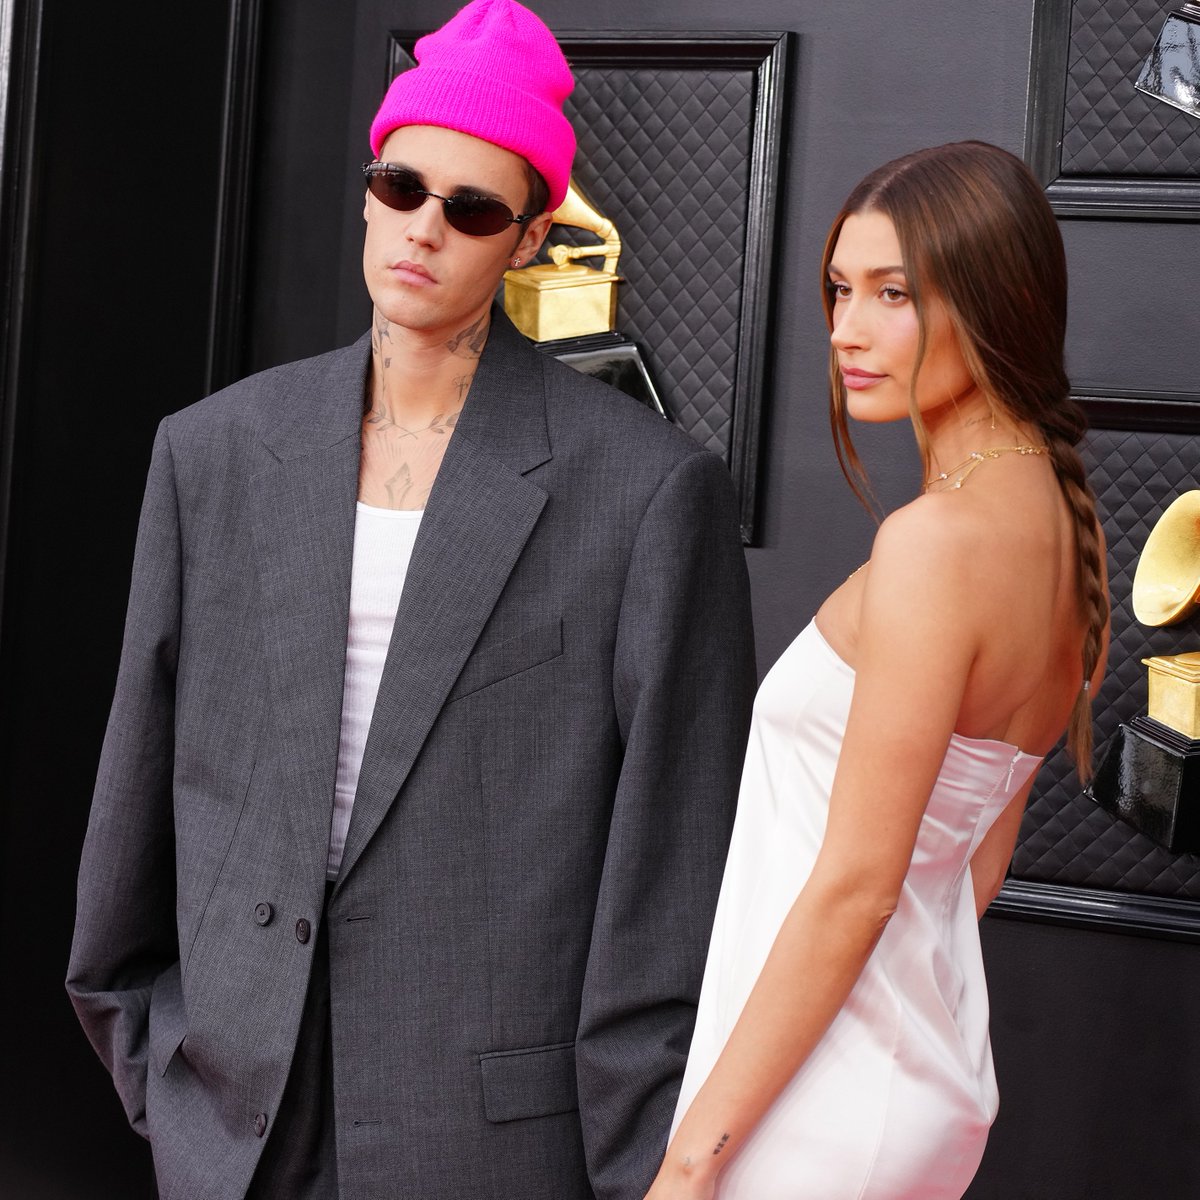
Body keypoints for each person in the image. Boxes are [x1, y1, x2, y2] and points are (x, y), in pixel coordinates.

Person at [65, 2, 756, 1197]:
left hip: (491, 1137)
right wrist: (154, 1054)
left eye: (473, 207)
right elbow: (144, 772)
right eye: (402, 184)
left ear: (529, 238)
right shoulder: (214, 452)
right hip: (233, 1113)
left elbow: (671, 860)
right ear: (368, 189)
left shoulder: (646, 493)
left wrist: (639, 1154)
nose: (424, 229)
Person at [648, 140, 1111, 1200]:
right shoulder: (1061, 529)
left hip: (823, 1098)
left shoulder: (935, 544)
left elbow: (859, 888)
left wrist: (688, 1163)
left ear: (999, 301)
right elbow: (971, 872)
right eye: (839, 290)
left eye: (893, 294)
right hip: (908, 1072)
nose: (846, 332)